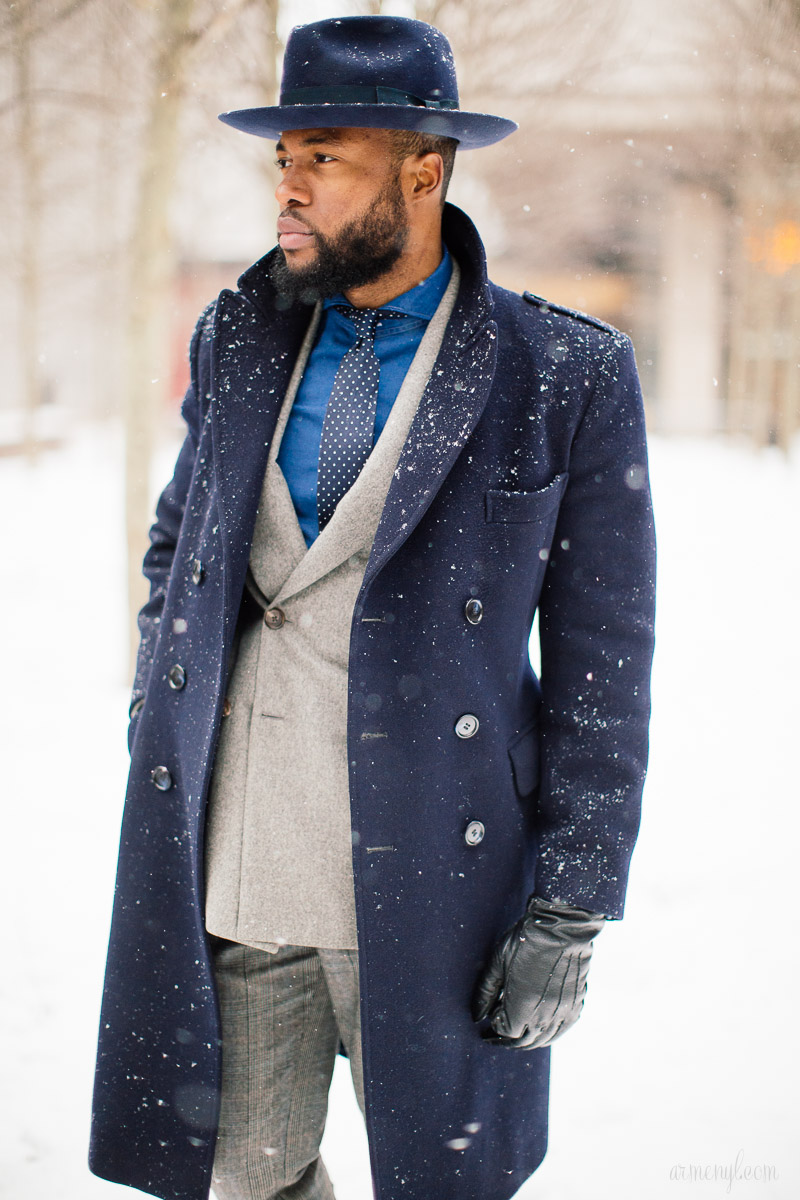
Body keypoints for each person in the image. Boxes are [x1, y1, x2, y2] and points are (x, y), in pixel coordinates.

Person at [89, 15, 656, 1200]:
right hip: (237, 862)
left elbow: (606, 661)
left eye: (323, 159)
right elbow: (176, 545)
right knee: (244, 1180)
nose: (286, 191)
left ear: (422, 169)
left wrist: (568, 907)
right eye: (282, 160)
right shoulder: (240, 337)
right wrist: (165, 697)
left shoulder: (561, 373)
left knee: (440, 1186)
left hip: (437, 879)